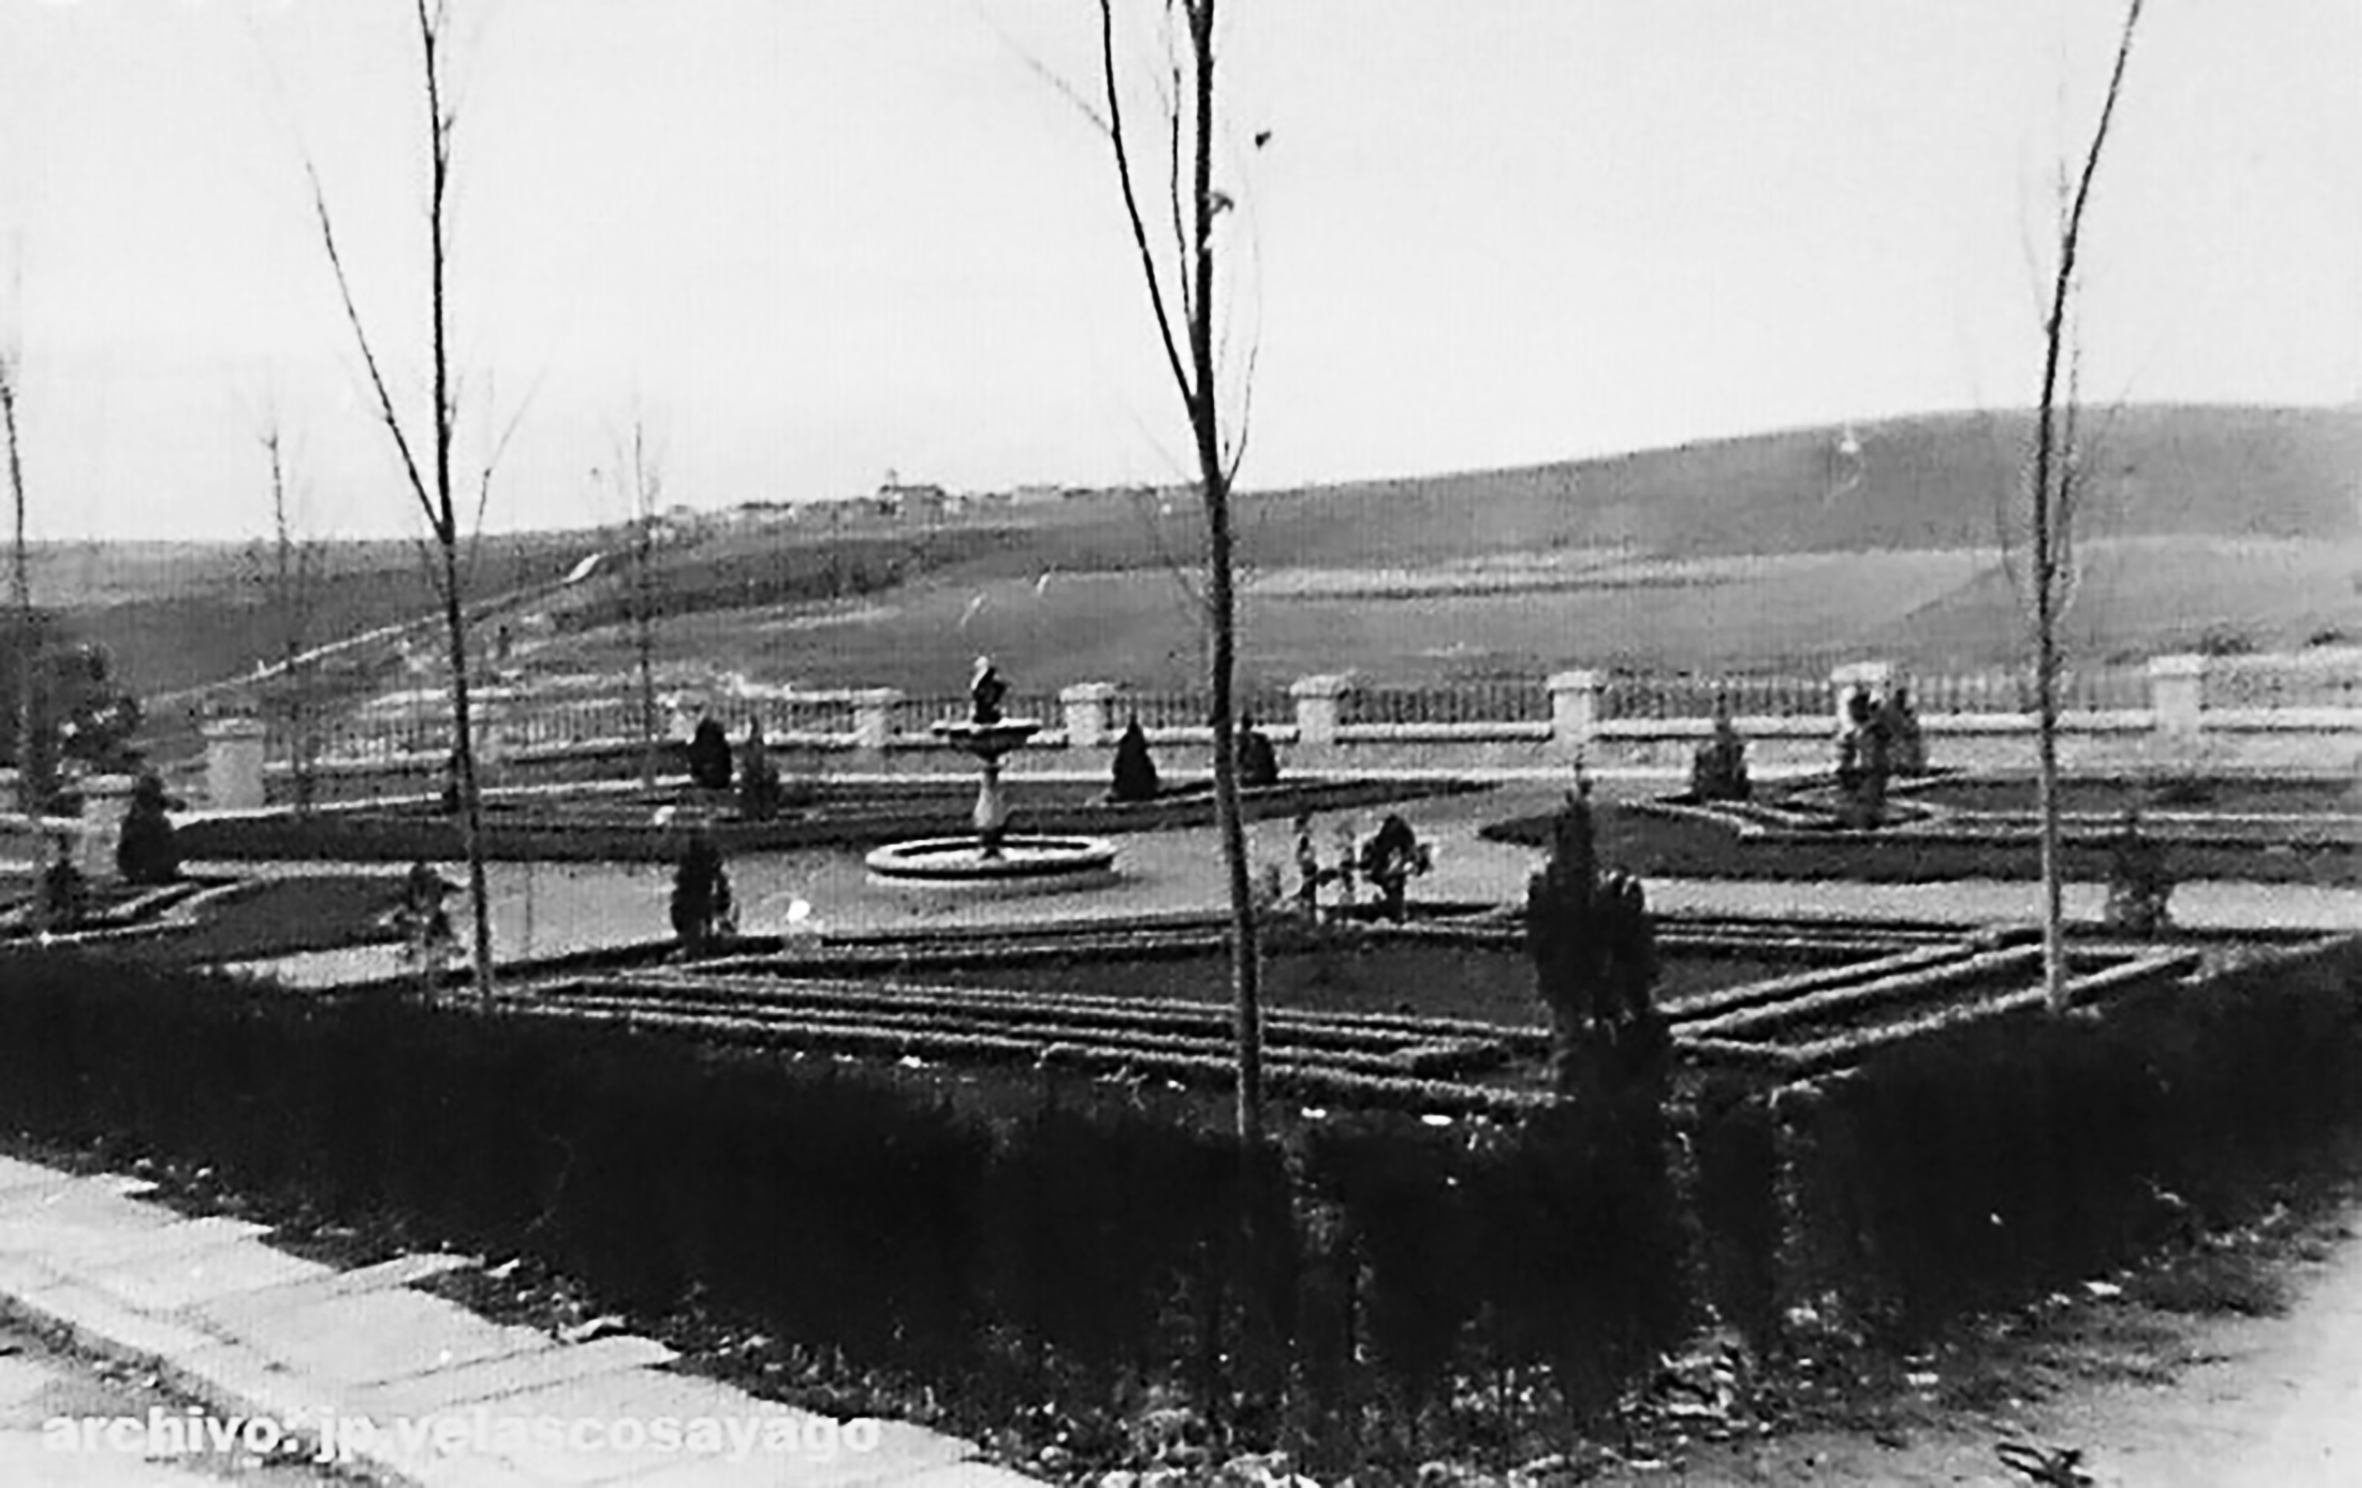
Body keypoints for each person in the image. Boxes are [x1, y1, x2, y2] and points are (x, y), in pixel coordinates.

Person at [970, 656, 1008, 726]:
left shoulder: (986, 681)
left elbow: (1001, 688)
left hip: (987, 710)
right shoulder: (982, 681)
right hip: (986, 710)